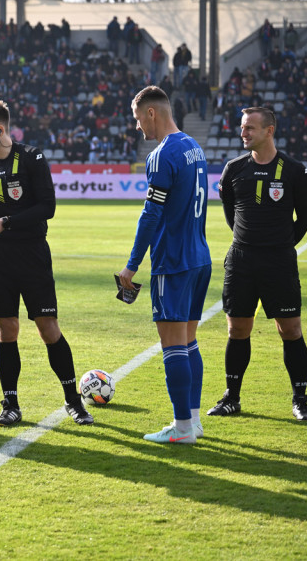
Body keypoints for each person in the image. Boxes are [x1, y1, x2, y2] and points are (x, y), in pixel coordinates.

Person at [0, 100, 93, 427]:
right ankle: (11, 405)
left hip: (33, 254)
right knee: (7, 330)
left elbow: (47, 206)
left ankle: (73, 402)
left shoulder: (32, 157)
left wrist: (4, 222)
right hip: (0, 260)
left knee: (48, 328)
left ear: (0, 130)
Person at [208, 106, 307, 422]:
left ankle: (300, 399)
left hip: (278, 262)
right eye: (243, 127)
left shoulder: (295, 171)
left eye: (251, 128)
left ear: (270, 130)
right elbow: (231, 213)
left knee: (290, 329)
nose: (244, 132)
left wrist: (279, 246)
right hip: (241, 260)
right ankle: (232, 398)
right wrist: (249, 241)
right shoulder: (233, 169)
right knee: (237, 329)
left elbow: (305, 219)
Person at [118, 86, 211, 445]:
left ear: (152, 113)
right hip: (199, 257)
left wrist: (131, 265)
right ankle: (194, 421)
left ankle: (182, 428)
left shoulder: (162, 154)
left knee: (172, 344)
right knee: (189, 342)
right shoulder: (193, 147)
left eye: (139, 118)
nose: (138, 126)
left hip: (172, 262)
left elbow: (151, 215)